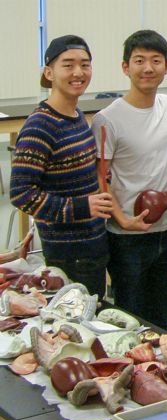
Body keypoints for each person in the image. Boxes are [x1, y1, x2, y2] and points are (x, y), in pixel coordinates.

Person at [91, 30, 167, 329]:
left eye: (156, 60)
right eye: (139, 60)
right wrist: (122, 218)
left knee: (163, 316)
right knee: (131, 318)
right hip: (127, 237)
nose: (148, 68)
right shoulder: (108, 118)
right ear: (125, 67)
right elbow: (100, 177)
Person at [10, 35, 112, 299]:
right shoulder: (40, 126)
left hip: (92, 244)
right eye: (68, 65)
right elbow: (22, 193)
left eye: (85, 64)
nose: (78, 72)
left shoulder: (77, 116)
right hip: (68, 255)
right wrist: (82, 206)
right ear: (49, 72)